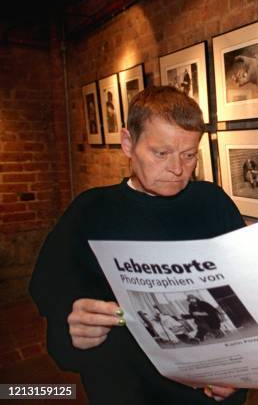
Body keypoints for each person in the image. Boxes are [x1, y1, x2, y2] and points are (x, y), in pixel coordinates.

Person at [29, 86, 246, 405]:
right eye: (161, 153)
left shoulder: (213, 202)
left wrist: (240, 375)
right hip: (124, 390)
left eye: (189, 155)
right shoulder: (89, 212)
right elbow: (54, 301)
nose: (177, 169)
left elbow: (248, 299)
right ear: (128, 143)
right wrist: (71, 329)